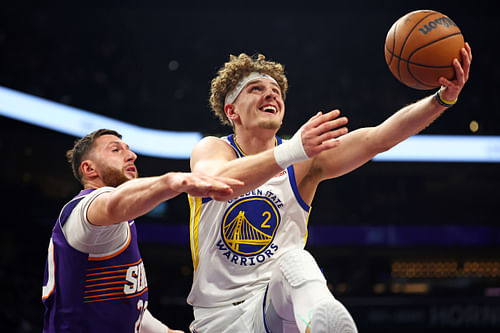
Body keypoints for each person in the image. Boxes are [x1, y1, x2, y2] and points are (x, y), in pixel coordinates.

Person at [186, 43, 472, 333]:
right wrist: (293, 151)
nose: (270, 93)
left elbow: (378, 139)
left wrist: (441, 99)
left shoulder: (303, 162)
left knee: (296, 261)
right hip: (220, 318)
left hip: (277, 311)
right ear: (231, 110)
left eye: (276, 90)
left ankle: (325, 326)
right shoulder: (213, 149)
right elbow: (215, 182)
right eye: (256, 89)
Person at [41, 128, 242, 333]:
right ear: (89, 169)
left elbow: (130, 306)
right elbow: (112, 203)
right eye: (116, 150)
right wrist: (172, 182)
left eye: (128, 149)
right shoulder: (83, 209)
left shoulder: (120, 222)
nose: (132, 155)